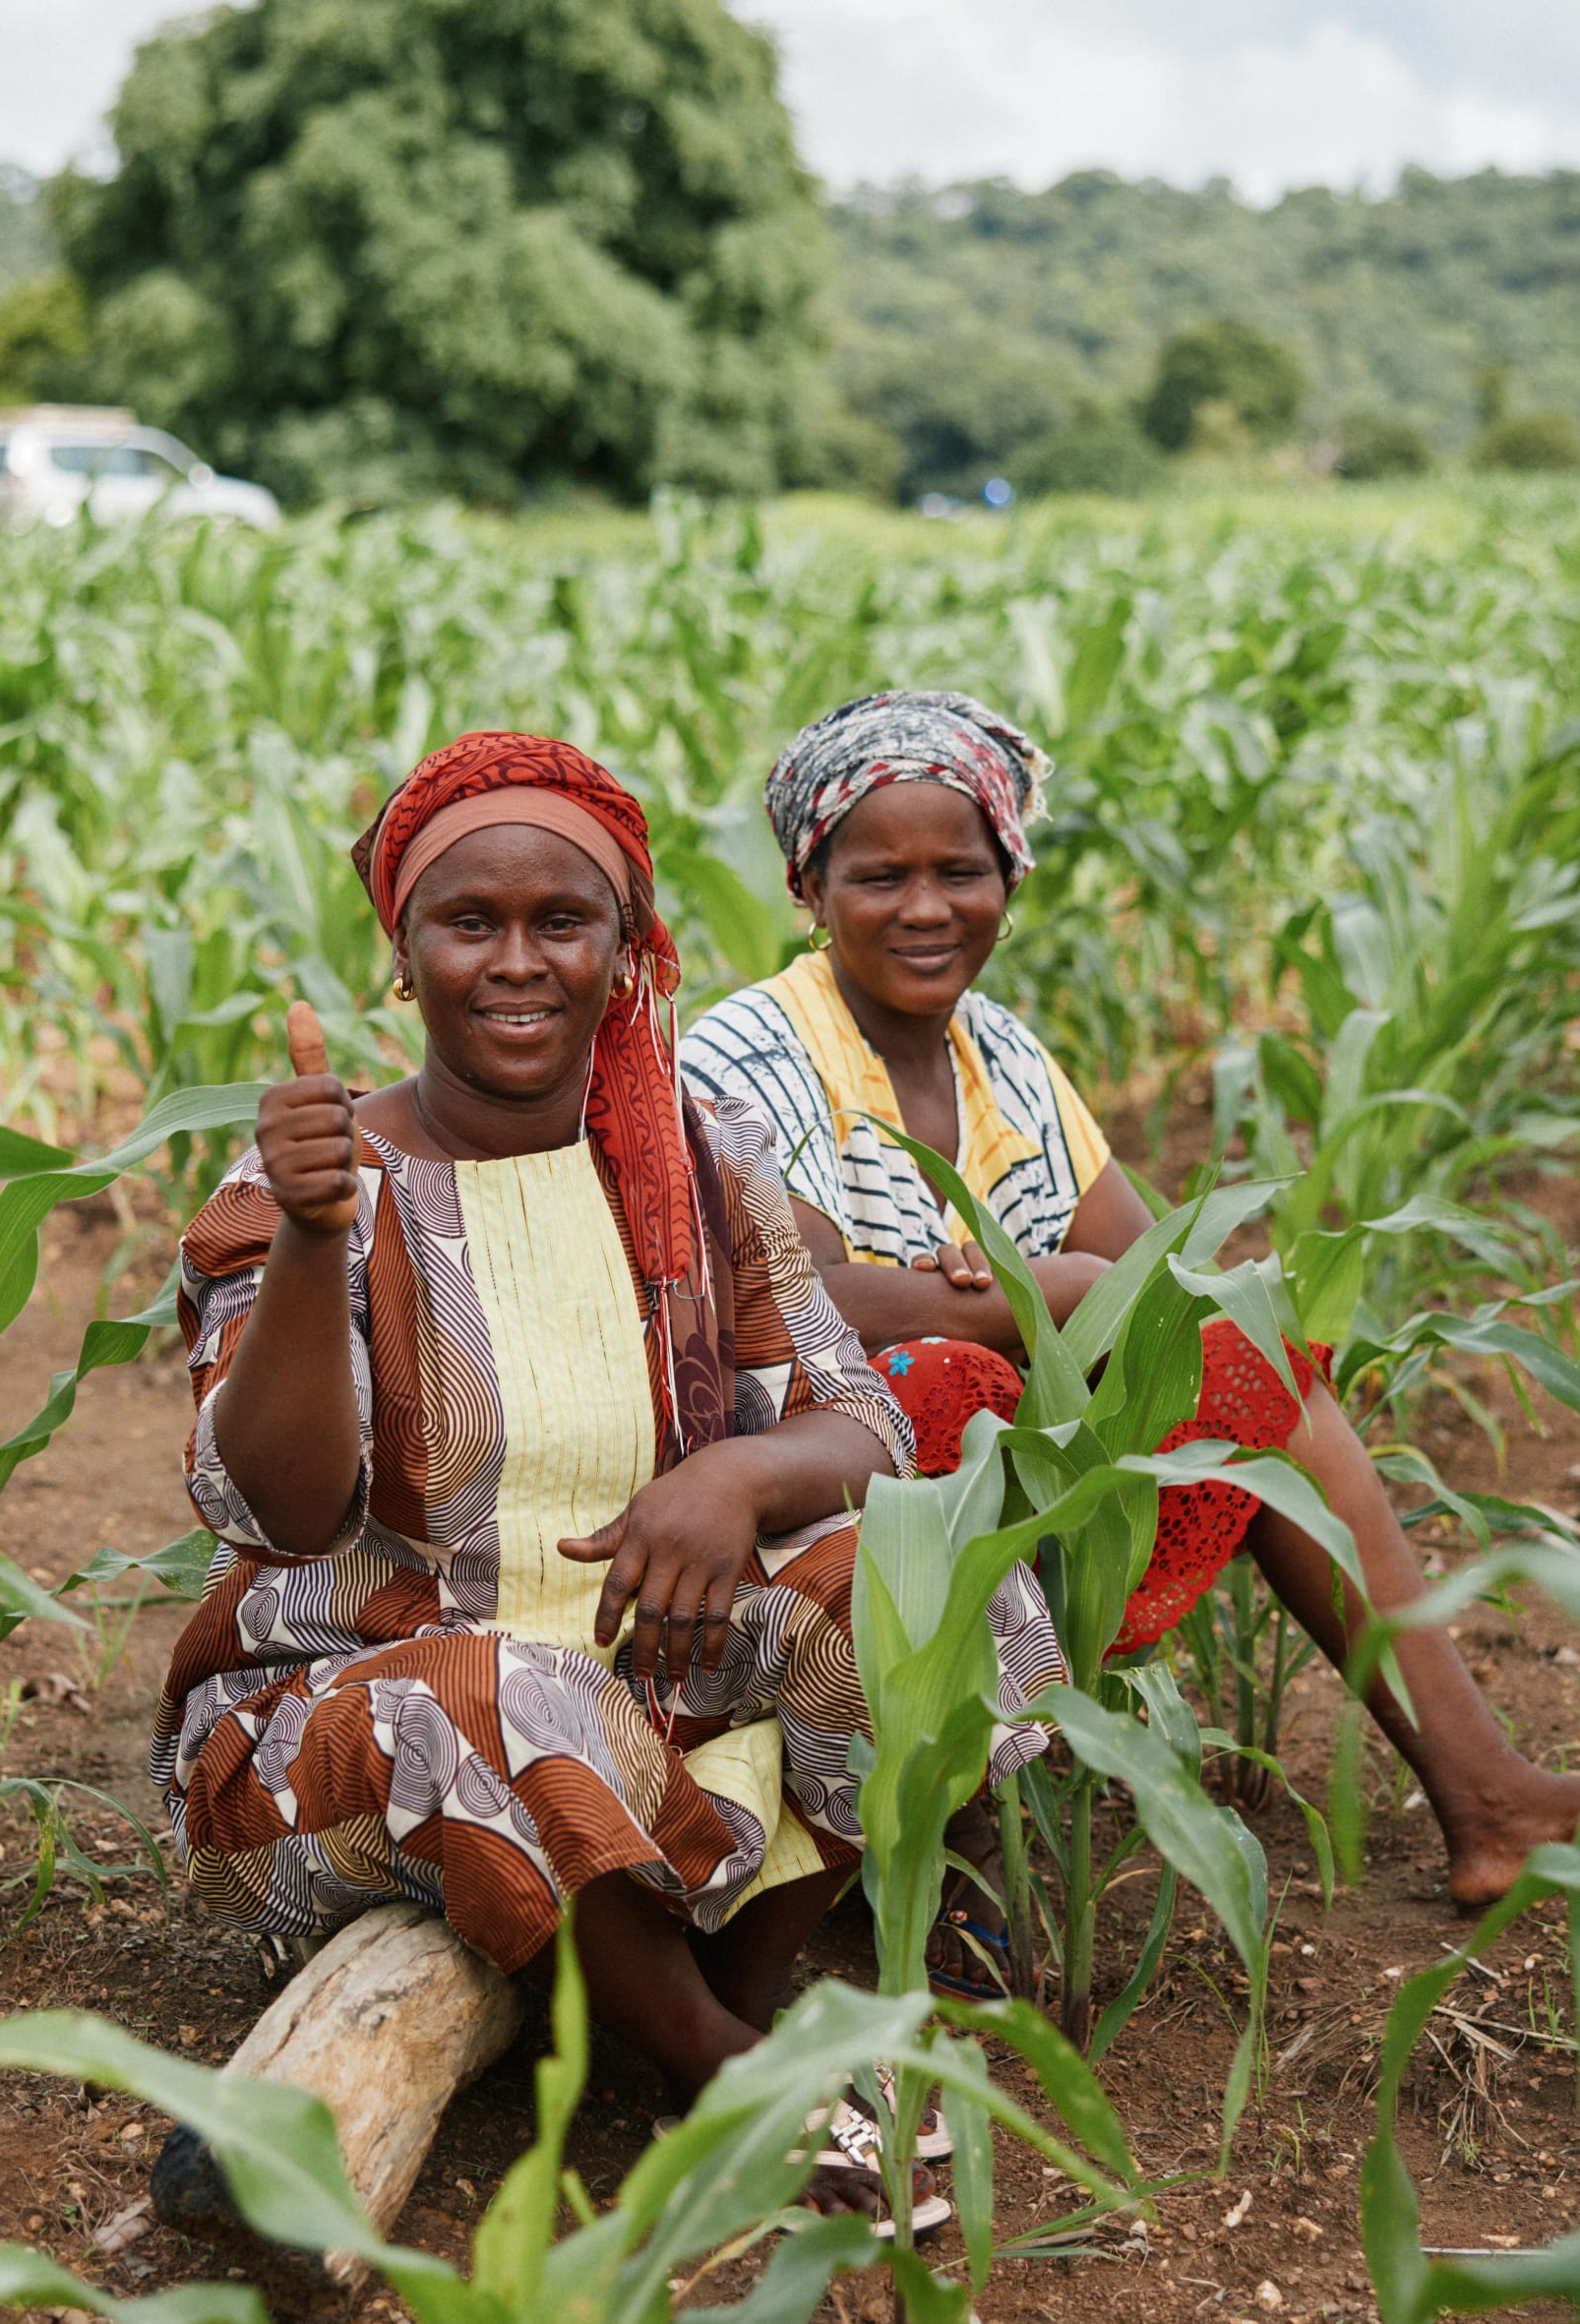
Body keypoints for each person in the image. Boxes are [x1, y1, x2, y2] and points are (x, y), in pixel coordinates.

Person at [152, 728, 1060, 2203]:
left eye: (560, 923)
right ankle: (719, 2066)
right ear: (405, 956)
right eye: (470, 923)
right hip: (352, 1740)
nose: (516, 961)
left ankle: (725, 1990)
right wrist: (320, 1248)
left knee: (937, 1568)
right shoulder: (307, 1191)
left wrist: (735, 1486)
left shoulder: (699, 1158)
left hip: (650, 1689)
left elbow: (861, 1419)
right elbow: (276, 1507)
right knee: (499, 1688)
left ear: (625, 953)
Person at [681, 690, 1580, 1908]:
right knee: (943, 1385)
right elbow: (802, 1315)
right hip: (779, 1484)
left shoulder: (1002, 1054)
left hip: (978, 1465)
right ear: (811, 886)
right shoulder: (748, 1051)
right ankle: (931, 1872)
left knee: (1254, 1363)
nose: (924, 908)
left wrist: (1056, 1290)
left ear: (1008, 876)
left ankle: (1488, 1796)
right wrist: (1044, 1290)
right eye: (877, 875)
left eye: (959, 870)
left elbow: (1164, 1272)